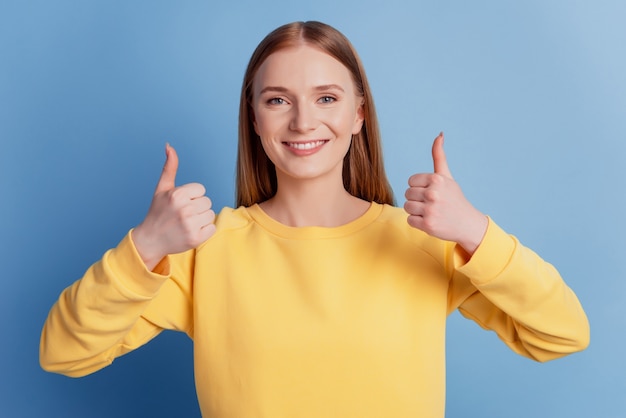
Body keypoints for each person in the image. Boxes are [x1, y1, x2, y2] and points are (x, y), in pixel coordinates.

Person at [40, 21, 589, 417]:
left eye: (326, 97)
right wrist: (145, 245)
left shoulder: (423, 242)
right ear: (254, 119)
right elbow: (63, 354)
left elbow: (562, 334)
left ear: (357, 114)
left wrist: (475, 231)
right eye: (277, 100)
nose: (304, 120)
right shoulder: (205, 252)